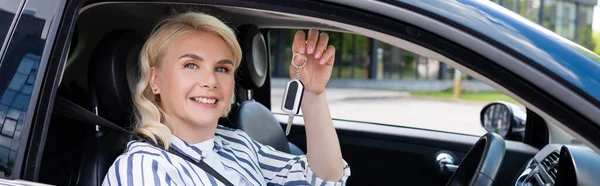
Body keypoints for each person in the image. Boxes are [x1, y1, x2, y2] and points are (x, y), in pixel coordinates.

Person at [102, 12, 350, 186]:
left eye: (222, 69)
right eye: (191, 65)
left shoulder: (237, 144)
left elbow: (323, 179)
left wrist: (313, 93)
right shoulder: (145, 168)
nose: (210, 81)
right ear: (155, 80)